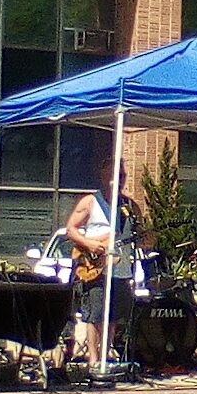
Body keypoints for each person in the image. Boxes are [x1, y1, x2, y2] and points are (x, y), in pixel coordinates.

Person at [65, 157, 143, 368]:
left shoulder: (129, 206)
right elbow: (70, 229)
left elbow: (143, 236)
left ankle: (105, 355)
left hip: (120, 265)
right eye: (114, 176)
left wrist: (148, 238)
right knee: (96, 313)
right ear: (104, 176)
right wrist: (89, 244)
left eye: (123, 176)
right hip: (94, 266)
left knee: (114, 315)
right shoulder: (90, 201)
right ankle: (92, 359)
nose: (119, 180)